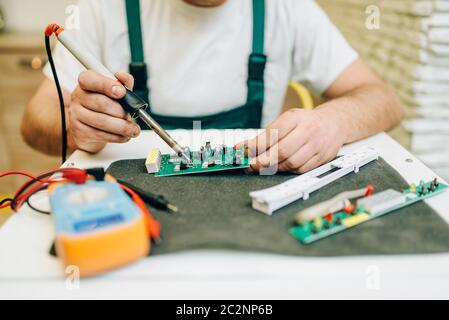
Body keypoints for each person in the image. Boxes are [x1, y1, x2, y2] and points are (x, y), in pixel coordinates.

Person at [22, 0, 403, 174]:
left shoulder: (289, 8)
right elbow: (34, 122)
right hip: (130, 208)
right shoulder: (102, 8)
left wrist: (332, 121)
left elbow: (384, 99)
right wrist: (74, 125)